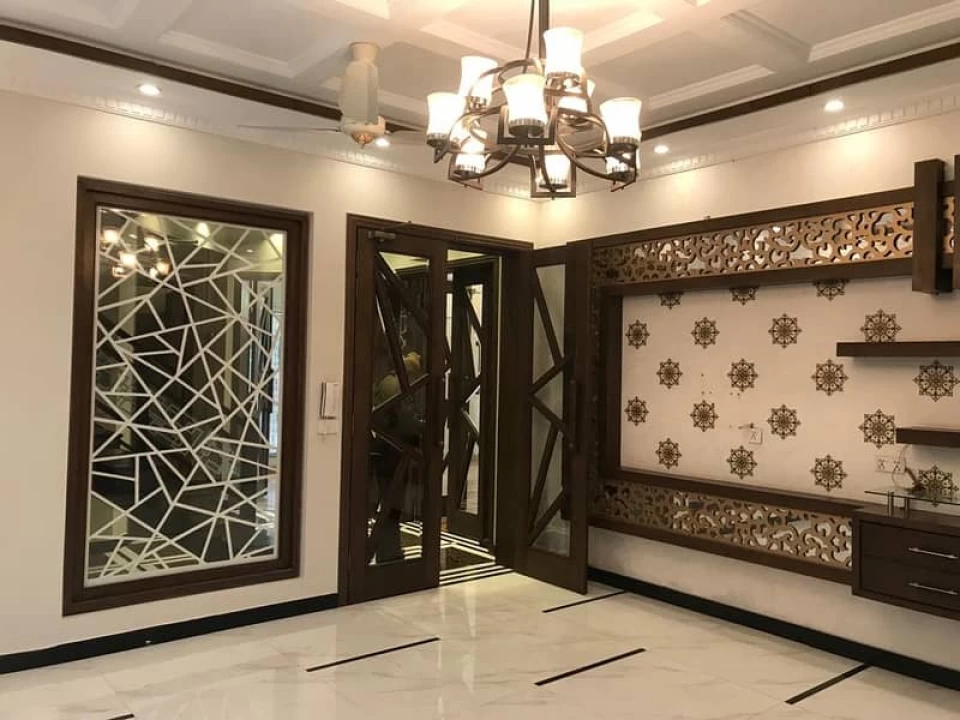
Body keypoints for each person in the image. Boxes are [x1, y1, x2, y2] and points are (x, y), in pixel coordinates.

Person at [369, 352, 426, 563]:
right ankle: (388, 551)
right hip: (393, 450)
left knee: (387, 502)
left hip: (383, 447)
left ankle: (384, 549)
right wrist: (423, 428)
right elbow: (403, 420)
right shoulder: (397, 386)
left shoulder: (387, 381)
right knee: (392, 504)